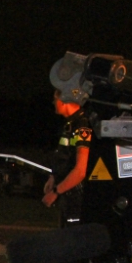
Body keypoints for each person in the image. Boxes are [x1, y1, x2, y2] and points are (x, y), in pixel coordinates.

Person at [42, 90, 92, 226]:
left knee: (73, 241)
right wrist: (53, 177)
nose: (53, 103)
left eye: (55, 99)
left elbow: (80, 170)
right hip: (68, 197)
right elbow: (65, 157)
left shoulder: (82, 126)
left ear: (64, 100)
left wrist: (56, 192)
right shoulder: (70, 125)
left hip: (76, 199)